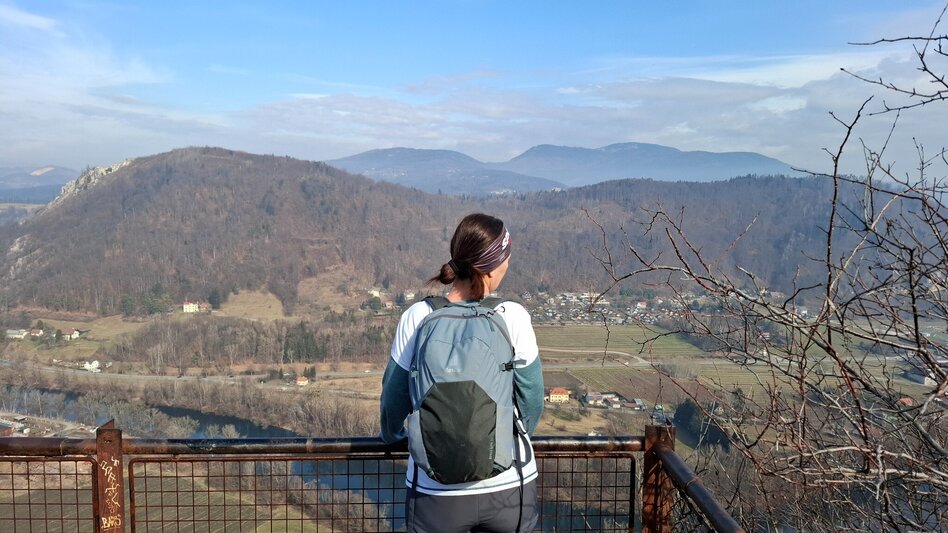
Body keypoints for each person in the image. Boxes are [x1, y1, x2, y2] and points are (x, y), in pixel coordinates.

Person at [380, 213, 544, 533]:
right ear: (491, 267)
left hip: (435, 492)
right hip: (509, 487)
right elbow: (531, 400)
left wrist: (394, 438)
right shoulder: (512, 316)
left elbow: (392, 401)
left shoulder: (417, 317)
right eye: (506, 259)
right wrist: (505, 439)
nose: (507, 266)